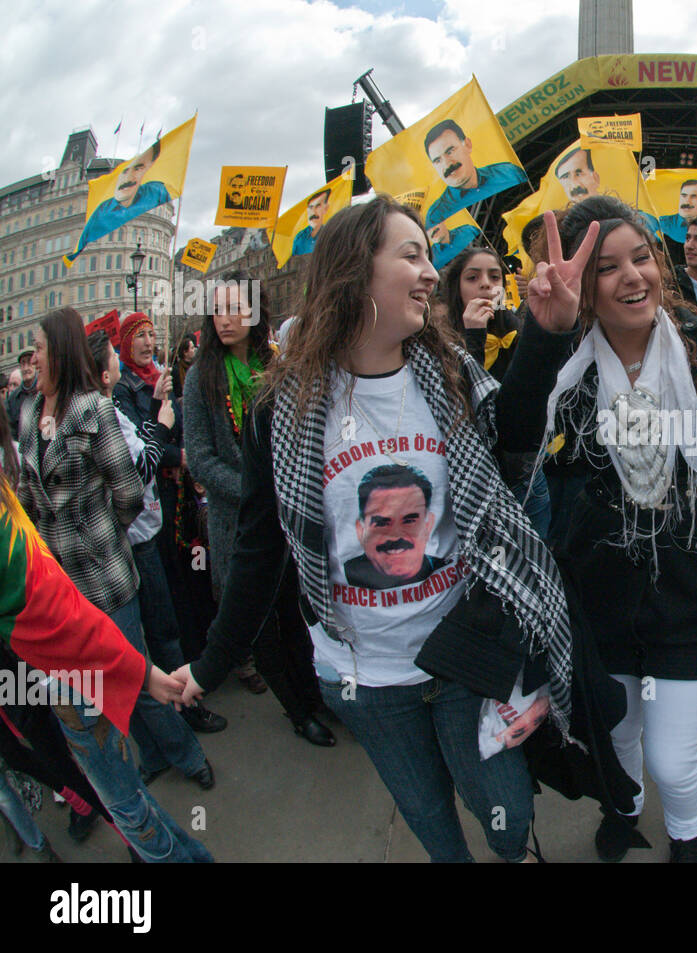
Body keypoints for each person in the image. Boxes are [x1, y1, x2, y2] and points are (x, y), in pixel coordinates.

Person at [175, 195, 587, 862]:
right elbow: (260, 548)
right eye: (412, 255)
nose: (432, 273)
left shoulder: (448, 371)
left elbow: (513, 449)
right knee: (428, 814)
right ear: (354, 269)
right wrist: (210, 661)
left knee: (506, 817)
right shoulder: (282, 407)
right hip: (363, 676)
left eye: (430, 256)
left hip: (462, 651)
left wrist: (546, 335)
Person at [511, 196, 697, 863]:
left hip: (690, 598)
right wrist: (543, 333)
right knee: (617, 738)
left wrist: (695, 536)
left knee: (673, 760)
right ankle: (624, 811)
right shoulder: (566, 368)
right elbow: (512, 439)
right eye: (608, 268)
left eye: (641, 258)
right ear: (583, 289)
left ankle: (688, 837)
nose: (632, 277)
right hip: (599, 599)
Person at [18, 307, 214, 792]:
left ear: (59, 353)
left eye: (39, 350)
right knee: (105, 687)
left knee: (134, 674)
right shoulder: (26, 414)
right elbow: (25, 497)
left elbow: (129, 493)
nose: (32, 361)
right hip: (62, 589)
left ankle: (189, 756)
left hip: (108, 576)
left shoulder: (95, 411)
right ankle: (152, 756)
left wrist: (98, 532)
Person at [183, 272, 333, 747]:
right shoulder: (200, 376)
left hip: (293, 515)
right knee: (262, 623)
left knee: (298, 614)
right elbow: (201, 458)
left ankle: (318, 695)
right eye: (217, 310)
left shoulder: (277, 364)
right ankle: (298, 712)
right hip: (239, 523)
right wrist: (256, 488)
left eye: (234, 309)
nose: (224, 319)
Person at [89, 329, 228, 735]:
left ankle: (176, 711)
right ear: (103, 373)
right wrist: (163, 428)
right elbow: (136, 476)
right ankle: (181, 714)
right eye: (116, 353)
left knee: (172, 613)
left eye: (154, 334)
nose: (146, 344)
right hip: (137, 540)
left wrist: (157, 408)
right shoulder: (106, 410)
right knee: (159, 634)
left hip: (150, 528)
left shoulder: (126, 396)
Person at [438, 245, 549, 537]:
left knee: (539, 550)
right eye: (473, 278)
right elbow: (459, 402)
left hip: (524, 471)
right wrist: (473, 336)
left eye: (495, 277)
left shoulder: (517, 327)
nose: (486, 284)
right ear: (456, 287)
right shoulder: (443, 339)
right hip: (476, 477)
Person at [73, 142, 171, 258]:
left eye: (139, 170)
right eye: (125, 172)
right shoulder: (103, 209)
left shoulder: (152, 195)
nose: (130, 177)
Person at [422, 119, 527, 226]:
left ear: (467, 145)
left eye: (450, 151)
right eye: (438, 161)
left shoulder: (508, 172)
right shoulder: (436, 216)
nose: (447, 164)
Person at [291, 189, 331, 257]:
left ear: (325, 208)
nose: (313, 212)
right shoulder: (300, 238)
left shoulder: (331, 235)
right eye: (310, 207)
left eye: (318, 206)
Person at [7, 347, 38, 437]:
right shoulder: (13, 399)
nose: (25, 368)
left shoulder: (45, 391)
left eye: (29, 362)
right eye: (22, 363)